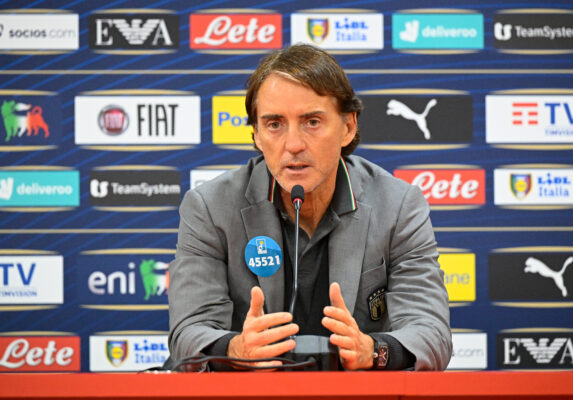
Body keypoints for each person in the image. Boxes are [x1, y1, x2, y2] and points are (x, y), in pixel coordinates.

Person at [168, 44, 451, 371]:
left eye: (312, 122)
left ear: (348, 127)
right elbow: (188, 334)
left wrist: (373, 351)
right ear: (257, 135)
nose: (293, 145)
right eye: (274, 124)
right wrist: (237, 349)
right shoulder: (210, 208)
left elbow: (431, 334)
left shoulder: (398, 206)